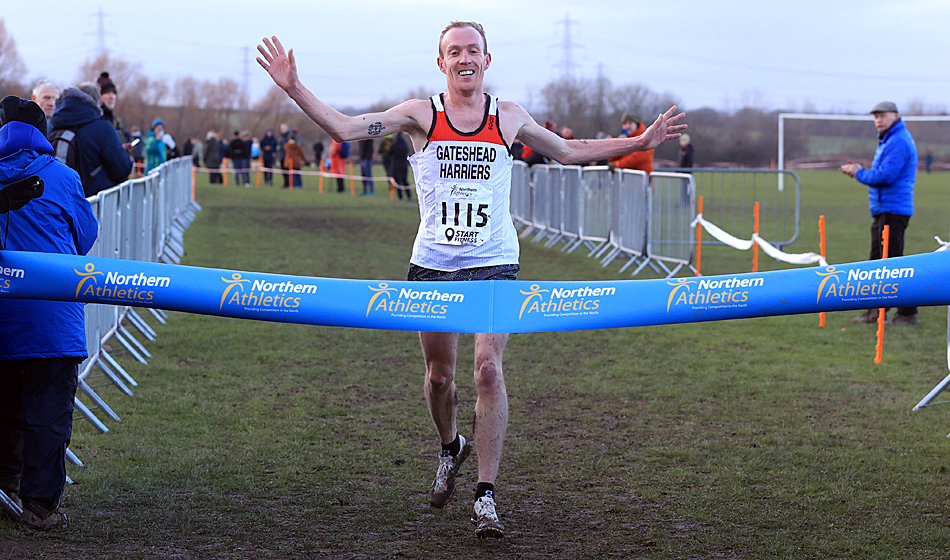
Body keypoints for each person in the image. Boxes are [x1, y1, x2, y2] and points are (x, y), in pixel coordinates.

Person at [257, 23, 684, 539]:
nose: (465, 59)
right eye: (454, 52)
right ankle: (450, 446)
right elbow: (345, 130)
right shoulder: (420, 114)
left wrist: (640, 141)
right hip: (433, 265)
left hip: (494, 262)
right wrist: (293, 88)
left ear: (487, 59)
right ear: (441, 63)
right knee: (439, 377)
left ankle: (485, 495)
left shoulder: (509, 117)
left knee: (487, 370)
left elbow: (569, 152)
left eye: (473, 51)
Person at [0, 96, 98, 531]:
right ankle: (40, 507)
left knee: (5, 408)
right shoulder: (63, 177)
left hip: (4, 317)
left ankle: (5, 486)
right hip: (52, 321)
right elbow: (85, 237)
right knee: (48, 414)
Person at [841, 101, 919, 325]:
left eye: (883, 115)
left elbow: (885, 176)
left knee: (892, 267)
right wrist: (860, 171)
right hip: (884, 210)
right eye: (875, 116)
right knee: (878, 264)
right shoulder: (889, 140)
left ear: (896, 115)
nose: (878, 120)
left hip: (893, 210)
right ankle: (875, 313)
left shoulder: (899, 141)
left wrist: (858, 172)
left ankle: (908, 313)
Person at [49, 84, 132, 197]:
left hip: (58, 197)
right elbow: (122, 169)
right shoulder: (103, 127)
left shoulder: (52, 125)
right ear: (97, 102)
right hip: (93, 201)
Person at [390, 132, 412, 200]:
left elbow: (390, 153)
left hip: (396, 164)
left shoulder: (394, 145)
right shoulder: (405, 145)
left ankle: (400, 196)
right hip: (404, 164)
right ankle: (409, 195)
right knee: (405, 180)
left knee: (398, 181)